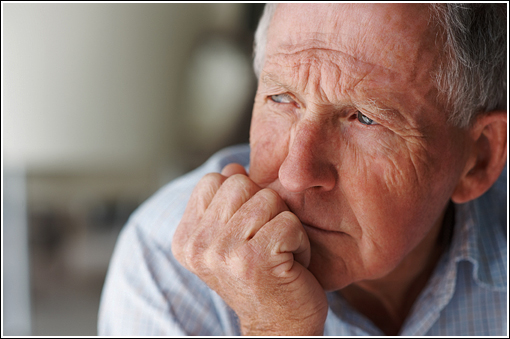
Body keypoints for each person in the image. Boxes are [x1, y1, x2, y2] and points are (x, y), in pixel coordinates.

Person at [98, 3, 507, 336]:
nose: (295, 173)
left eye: (365, 119)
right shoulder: (166, 263)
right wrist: (275, 328)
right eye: (281, 98)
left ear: (479, 159)